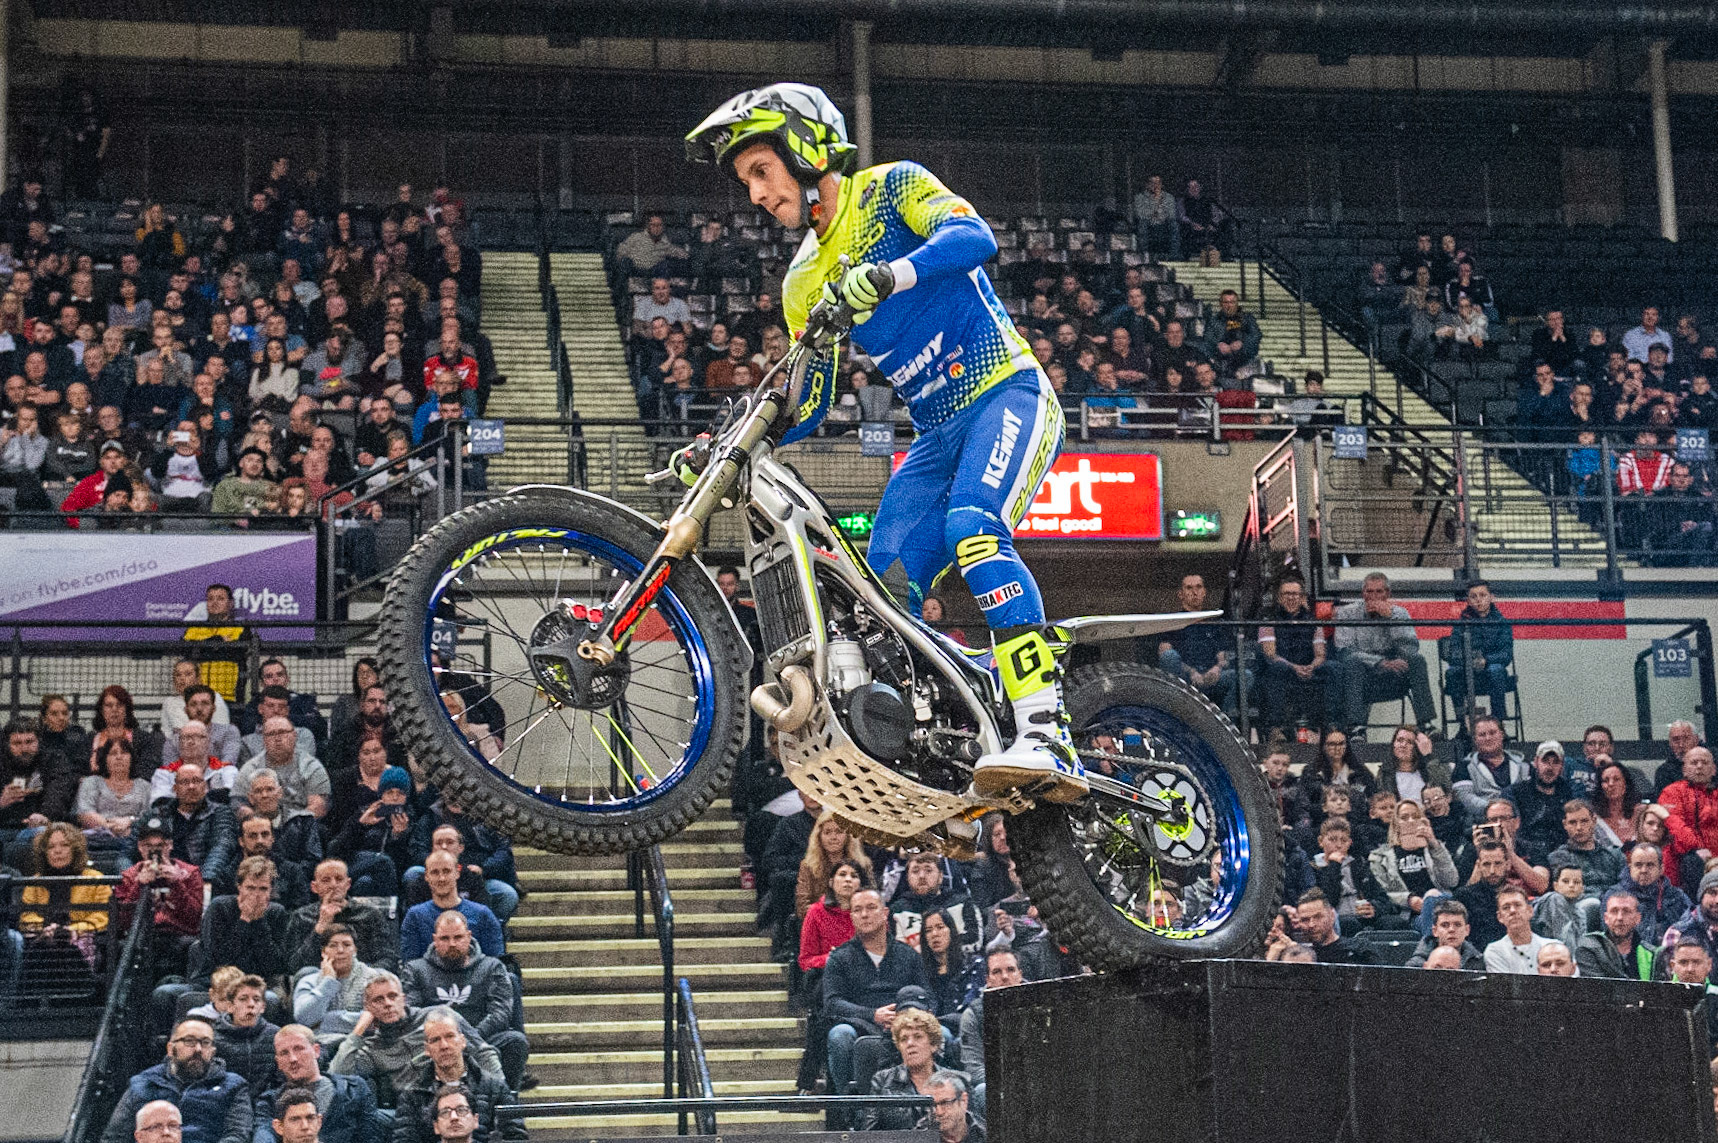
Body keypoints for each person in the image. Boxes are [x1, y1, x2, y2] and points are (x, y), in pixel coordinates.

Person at [685, 85, 1083, 801]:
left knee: (974, 530)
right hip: (935, 436)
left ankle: (1045, 726)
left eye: (761, 171)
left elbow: (975, 239)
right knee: (879, 600)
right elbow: (811, 399)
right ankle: (960, 733)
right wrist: (732, 442)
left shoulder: (892, 187)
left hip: (1007, 394)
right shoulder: (803, 280)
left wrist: (888, 274)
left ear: (805, 149)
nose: (756, 195)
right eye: (747, 182)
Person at [327, 974, 499, 1111]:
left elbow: (483, 1052)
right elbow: (339, 1075)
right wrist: (358, 1031)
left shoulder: (438, 1015)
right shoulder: (371, 1047)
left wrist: (498, 1091)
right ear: (367, 1007)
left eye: (393, 996)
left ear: (403, 999)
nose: (388, 1004)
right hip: (412, 1109)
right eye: (378, 1000)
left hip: (460, 1097)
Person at [402, 910, 529, 1093]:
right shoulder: (415, 970)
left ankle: (505, 1101)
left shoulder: (492, 967)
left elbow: (500, 1013)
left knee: (515, 1041)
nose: (452, 944)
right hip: (436, 1042)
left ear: (469, 936)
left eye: (458, 937)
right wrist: (447, 1040)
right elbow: (413, 1014)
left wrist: (466, 1041)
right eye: (445, 938)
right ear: (435, 939)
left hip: (483, 1037)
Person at [822, 888, 932, 1100]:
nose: (864, 914)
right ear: (851, 916)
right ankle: (850, 1106)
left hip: (905, 1024)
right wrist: (873, 1015)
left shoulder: (908, 954)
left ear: (885, 913)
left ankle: (931, 1099)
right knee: (839, 1035)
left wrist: (906, 1017)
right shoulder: (839, 958)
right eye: (858, 910)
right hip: (859, 1025)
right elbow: (832, 1003)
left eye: (871, 908)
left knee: (943, 1034)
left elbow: (929, 997)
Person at [98, 1020, 252, 1143]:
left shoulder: (234, 1085)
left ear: (212, 1052)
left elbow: (238, 1135)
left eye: (205, 1042)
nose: (198, 1049)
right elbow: (115, 1137)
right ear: (170, 1049)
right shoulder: (144, 1083)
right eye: (189, 1041)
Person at [1331, 573, 1436, 735]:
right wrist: (1380, 662)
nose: (1373, 597)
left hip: (1394, 675)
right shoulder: (1347, 613)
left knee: (1417, 660)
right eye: (1369, 591)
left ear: (1387, 594)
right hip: (1363, 674)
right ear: (1363, 593)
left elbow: (1410, 649)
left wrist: (1390, 620)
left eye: (1379, 592)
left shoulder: (1400, 613)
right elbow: (1344, 649)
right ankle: (1355, 727)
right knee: (1351, 662)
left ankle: (1426, 724)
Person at [253, 1024, 384, 1143]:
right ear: (278, 1062)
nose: (293, 1058)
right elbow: (263, 1136)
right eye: (284, 1053)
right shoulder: (269, 1101)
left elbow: (370, 1137)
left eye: (299, 1049)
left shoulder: (354, 1089)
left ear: (316, 1050)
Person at [284, 859, 401, 974]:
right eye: (326, 880)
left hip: (363, 978)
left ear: (348, 884)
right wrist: (320, 928)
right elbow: (294, 966)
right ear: (314, 887)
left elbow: (388, 958)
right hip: (318, 978)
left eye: (339, 879)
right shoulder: (301, 916)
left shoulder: (369, 914)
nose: (333, 885)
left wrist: (362, 974)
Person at [855, 1006, 959, 1132]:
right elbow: (869, 1133)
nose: (910, 1043)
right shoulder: (883, 1080)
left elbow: (970, 1130)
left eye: (917, 1037)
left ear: (933, 1045)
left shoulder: (955, 1081)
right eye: (904, 1039)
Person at [1256, 576, 1336, 730]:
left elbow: (1320, 654)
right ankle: (1276, 728)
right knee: (1277, 668)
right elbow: (1270, 654)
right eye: (1286, 594)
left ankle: (1333, 726)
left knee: (1333, 668)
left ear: (1302, 597)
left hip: (1308, 669)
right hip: (1282, 670)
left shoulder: (1313, 621)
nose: (1291, 598)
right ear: (1279, 598)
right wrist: (1294, 668)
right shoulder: (1269, 620)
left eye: (1295, 594)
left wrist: (1311, 666)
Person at [1156, 574, 1243, 714]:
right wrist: (1191, 672)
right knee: (1169, 656)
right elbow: (1165, 655)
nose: (1194, 592)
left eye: (1198, 587)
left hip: (1211, 677)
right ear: (1180, 594)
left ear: (1204, 592)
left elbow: (1223, 656)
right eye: (1189, 588)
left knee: (1245, 676)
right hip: (1184, 680)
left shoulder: (1214, 623)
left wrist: (1217, 668)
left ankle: (1224, 721)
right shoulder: (1172, 622)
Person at [399, 850, 505, 962]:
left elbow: (494, 963)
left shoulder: (483, 915)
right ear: (426, 876)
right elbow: (411, 964)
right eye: (435, 872)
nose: (441, 878)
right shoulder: (415, 916)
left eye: (447, 871)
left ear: (457, 873)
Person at [1369, 799, 1457, 926]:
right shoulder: (1380, 857)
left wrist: (1434, 844)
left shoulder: (1435, 849)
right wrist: (1408, 899)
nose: (1410, 821)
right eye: (1404, 818)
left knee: (1434, 897)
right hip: (1409, 914)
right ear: (1396, 823)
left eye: (1415, 817)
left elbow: (1451, 881)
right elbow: (1383, 893)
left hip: (1441, 906)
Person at [293, 924, 380, 1038]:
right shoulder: (308, 981)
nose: (340, 950)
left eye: (347, 945)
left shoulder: (373, 979)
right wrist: (328, 982)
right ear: (323, 952)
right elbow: (304, 1019)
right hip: (320, 1043)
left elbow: (377, 1019)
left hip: (360, 1042)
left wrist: (325, 1021)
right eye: (333, 945)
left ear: (355, 950)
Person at [1660, 745, 1718, 890]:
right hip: (1685, 862)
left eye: (1704, 762)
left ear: (1714, 770)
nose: (1699, 766)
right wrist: (1697, 848)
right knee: (1692, 861)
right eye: (1694, 762)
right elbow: (1677, 828)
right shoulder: (1671, 792)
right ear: (1684, 769)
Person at [1453, 715, 1527, 818]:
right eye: (1482, 735)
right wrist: (1497, 810)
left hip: (1520, 820)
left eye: (1492, 733)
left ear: (1502, 735)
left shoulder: (1524, 765)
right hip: (1483, 821)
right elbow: (1466, 799)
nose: (1488, 738)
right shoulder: (1463, 767)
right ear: (1475, 739)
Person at [1575, 889, 1658, 981]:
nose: (1620, 918)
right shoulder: (1590, 947)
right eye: (1614, 911)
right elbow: (1596, 987)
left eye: (1626, 911)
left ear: (1637, 918)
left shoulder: (1652, 954)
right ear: (1606, 918)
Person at [1616, 844, 1689, 945]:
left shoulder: (1677, 896)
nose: (1644, 870)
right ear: (1630, 867)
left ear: (1661, 869)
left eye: (1650, 865)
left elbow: (1691, 929)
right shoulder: (1614, 897)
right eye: (1638, 865)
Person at [1291, 889, 1374, 965]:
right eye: (1305, 920)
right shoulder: (1299, 955)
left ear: (1332, 916)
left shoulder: (1360, 949)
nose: (1311, 924)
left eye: (1318, 917)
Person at [1482, 885, 1549, 974]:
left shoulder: (1552, 947)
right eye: (1506, 907)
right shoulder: (1495, 951)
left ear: (1530, 911)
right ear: (1500, 917)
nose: (1512, 911)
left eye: (1517, 905)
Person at [1402, 898, 1485, 969]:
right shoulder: (1415, 966)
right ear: (1435, 931)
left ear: (1467, 930)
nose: (1451, 930)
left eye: (1457, 925)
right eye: (1445, 925)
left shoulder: (1479, 963)